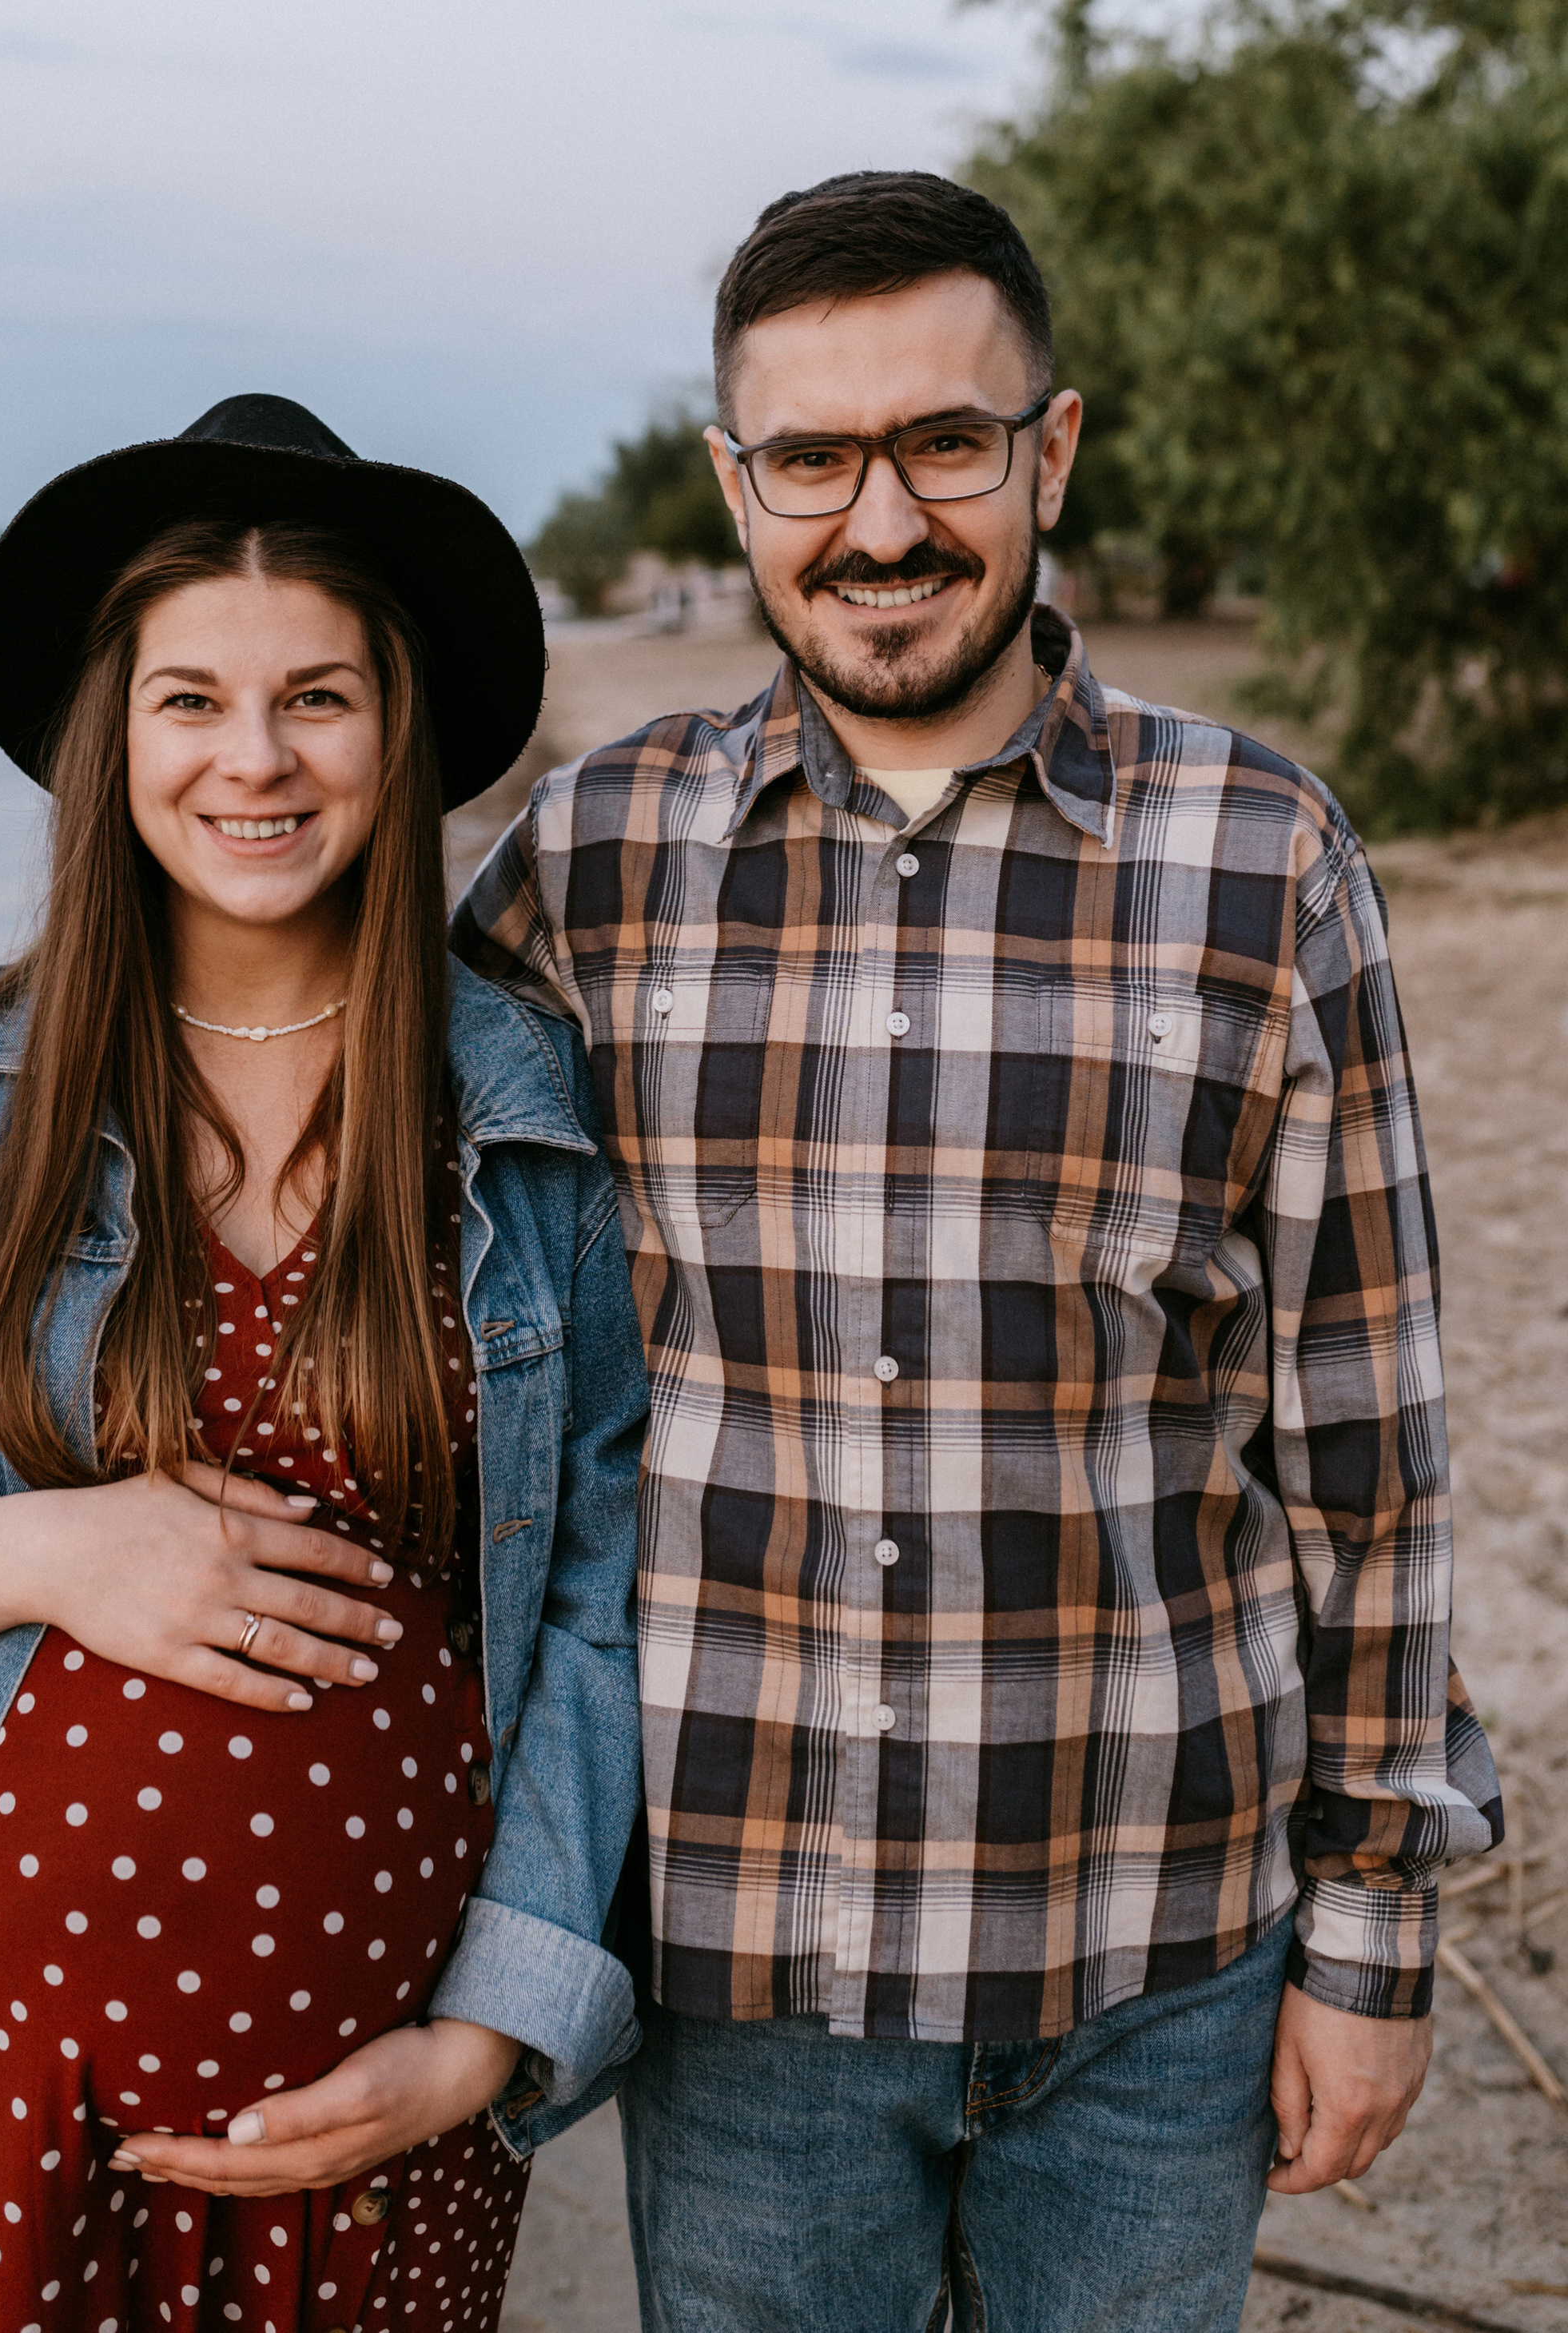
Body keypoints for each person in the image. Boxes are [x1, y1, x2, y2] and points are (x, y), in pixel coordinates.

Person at [449, 173, 1502, 2332]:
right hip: (747, 1969)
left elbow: (1362, 1452)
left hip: (1155, 1964)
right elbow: (314, 1154)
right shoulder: (594, 859)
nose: (883, 522)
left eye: (946, 442)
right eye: (813, 461)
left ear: (1054, 450)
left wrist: (1375, 1938)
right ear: (738, 486)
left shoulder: (1264, 857)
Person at [0, 395, 649, 2333]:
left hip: (388, 2106)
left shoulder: (530, 1120)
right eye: (190, 700)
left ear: (400, 732)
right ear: (110, 742)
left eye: (318, 697)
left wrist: (490, 2032)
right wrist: (47, 1551)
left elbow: (596, 1609)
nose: (256, 759)